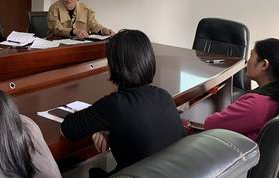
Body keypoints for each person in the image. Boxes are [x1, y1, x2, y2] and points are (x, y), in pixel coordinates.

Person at [60, 30, 185, 175]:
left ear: (114, 65)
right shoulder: (164, 96)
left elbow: (66, 129)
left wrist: (97, 126)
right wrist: (104, 126)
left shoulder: (115, 105)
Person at [200, 38, 279, 141]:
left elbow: (211, 124)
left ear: (264, 65)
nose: (247, 61)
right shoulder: (278, 94)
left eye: (251, 55)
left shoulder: (256, 104)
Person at [46, 0, 114, 39]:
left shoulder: (86, 9)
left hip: (80, 43)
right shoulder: (54, 8)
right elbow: (56, 28)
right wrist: (73, 31)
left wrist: (103, 30)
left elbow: (93, 25)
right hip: (57, 43)